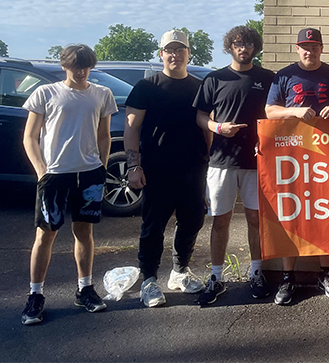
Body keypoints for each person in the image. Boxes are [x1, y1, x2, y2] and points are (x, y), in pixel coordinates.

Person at [20, 45, 117, 325]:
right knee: (45, 235)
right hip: (55, 175)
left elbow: (104, 136)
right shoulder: (45, 93)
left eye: (86, 66)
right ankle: (35, 295)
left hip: (88, 175)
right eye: (76, 66)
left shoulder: (102, 94)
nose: (81, 71)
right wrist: (42, 172)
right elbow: (30, 137)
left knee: (83, 233)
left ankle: (85, 289)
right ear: (64, 66)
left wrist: (101, 166)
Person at [124, 30, 210, 307]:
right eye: (169, 50)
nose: (175, 55)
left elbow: (206, 125)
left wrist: (209, 160)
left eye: (180, 49)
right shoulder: (146, 87)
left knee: (194, 218)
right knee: (153, 226)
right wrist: (133, 165)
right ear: (161, 54)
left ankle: (179, 271)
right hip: (157, 168)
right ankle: (149, 280)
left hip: (193, 166)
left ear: (188, 53)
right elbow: (131, 128)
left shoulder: (200, 87)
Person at [265, 28, 329, 304]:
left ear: (321, 48)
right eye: (304, 47)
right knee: (291, 212)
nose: (309, 51)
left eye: (314, 47)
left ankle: (326, 273)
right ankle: (288, 277)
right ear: (297, 49)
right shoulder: (284, 75)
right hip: (292, 152)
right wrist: (295, 111)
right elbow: (269, 111)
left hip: (326, 153)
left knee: (325, 211)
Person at [193, 25, 275, 305]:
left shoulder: (268, 78)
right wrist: (218, 127)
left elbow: (276, 117)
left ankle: (256, 272)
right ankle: (216, 277)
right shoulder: (215, 79)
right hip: (221, 161)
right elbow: (201, 116)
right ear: (230, 46)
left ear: (255, 47)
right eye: (238, 44)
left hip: (256, 162)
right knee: (221, 220)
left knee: (255, 220)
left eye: (249, 44)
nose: (244, 48)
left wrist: (267, 141)